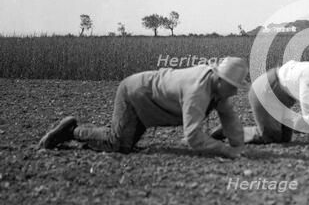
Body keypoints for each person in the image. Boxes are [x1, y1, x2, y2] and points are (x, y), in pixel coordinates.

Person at [38, 57, 248, 158]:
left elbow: (229, 117)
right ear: (220, 80)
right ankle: (72, 130)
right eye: (233, 87)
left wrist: (238, 146)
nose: (235, 92)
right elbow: (192, 137)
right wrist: (226, 151)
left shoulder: (217, 87)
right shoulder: (197, 91)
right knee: (117, 144)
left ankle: (89, 133)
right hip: (135, 93)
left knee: (123, 143)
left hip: (148, 98)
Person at [221, 48, 309, 145]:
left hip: (281, 99)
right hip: (266, 90)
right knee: (270, 137)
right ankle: (229, 130)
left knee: (285, 138)